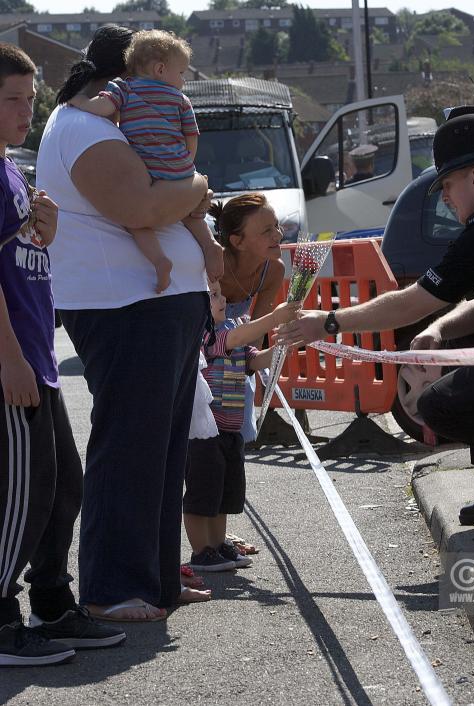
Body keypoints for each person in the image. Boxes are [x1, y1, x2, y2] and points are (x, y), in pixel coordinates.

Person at [276, 105, 474, 526]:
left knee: (438, 405)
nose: (445, 196)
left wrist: (330, 322)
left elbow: (412, 301)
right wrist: (439, 329)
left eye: (446, 184)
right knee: (463, 349)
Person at [36, 25, 215, 622]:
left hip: (158, 304)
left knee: (162, 451)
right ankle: (113, 587)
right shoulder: (85, 128)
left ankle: (157, 578)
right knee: (131, 448)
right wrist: (196, 184)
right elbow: (140, 207)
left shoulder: (108, 125)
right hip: (125, 305)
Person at [0, 42, 125, 666]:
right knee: (21, 497)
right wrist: (10, 360)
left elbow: (21, 259)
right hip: (12, 364)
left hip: (35, 357)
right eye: (13, 100)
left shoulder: (12, 172)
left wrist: (41, 229)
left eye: (30, 97)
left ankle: (51, 602)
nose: (27, 111)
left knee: (60, 488)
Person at [69, 29, 223, 293]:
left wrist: (79, 101)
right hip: (180, 167)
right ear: (161, 69)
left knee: (135, 221)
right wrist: (187, 164)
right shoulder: (181, 100)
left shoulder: (124, 88)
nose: (183, 80)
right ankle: (210, 245)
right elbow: (191, 135)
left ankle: (159, 260)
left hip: (148, 168)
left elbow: (103, 108)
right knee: (189, 212)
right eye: (182, 73)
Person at [183, 280, 299, 571]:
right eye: (213, 295)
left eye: (220, 293)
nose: (222, 299)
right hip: (205, 432)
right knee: (202, 492)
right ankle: (201, 551)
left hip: (231, 430)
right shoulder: (205, 337)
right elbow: (233, 341)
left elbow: (256, 360)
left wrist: (286, 344)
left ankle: (217, 544)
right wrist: (273, 319)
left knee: (224, 493)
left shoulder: (230, 332)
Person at [211, 193, 286, 553]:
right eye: (266, 230)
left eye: (277, 226)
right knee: (200, 452)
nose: (278, 235)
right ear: (236, 240)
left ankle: (219, 535)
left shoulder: (274, 270)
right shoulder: (211, 264)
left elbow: (256, 330)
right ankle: (205, 540)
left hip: (234, 357)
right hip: (202, 355)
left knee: (231, 445)